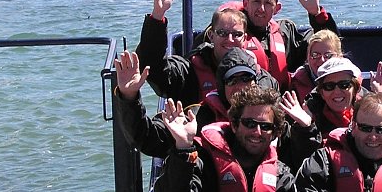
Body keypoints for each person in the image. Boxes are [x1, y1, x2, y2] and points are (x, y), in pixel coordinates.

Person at [155, 84, 295, 192]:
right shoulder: (205, 163)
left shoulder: (281, 175)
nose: (257, 132)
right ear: (234, 125)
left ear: (274, 132)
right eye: (250, 124)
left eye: (265, 127)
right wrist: (182, 147)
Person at [112, 48, 276, 158]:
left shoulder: (272, 117)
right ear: (221, 85)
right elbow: (145, 139)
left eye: (246, 78)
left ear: (256, 82)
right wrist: (129, 97)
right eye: (232, 80)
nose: (240, 86)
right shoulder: (196, 117)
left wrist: (302, 130)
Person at [134, 0, 251, 107]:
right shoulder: (189, 71)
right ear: (212, 36)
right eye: (222, 33)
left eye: (236, 34)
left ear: (245, 38)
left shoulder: (257, 72)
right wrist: (157, 16)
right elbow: (152, 67)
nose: (230, 40)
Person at [239, 0, 340, 91]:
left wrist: (316, 13)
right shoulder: (232, 34)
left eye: (268, 3)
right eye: (256, 1)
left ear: (277, 8)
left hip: (283, 102)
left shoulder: (286, 32)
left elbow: (329, 44)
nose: (261, 9)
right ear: (246, 3)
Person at [288, 29, 382, 101]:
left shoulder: (352, 82)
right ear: (308, 57)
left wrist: (379, 95)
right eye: (315, 55)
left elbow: (371, 116)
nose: (322, 60)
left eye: (328, 55)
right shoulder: (295, 85)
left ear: (339, 56)